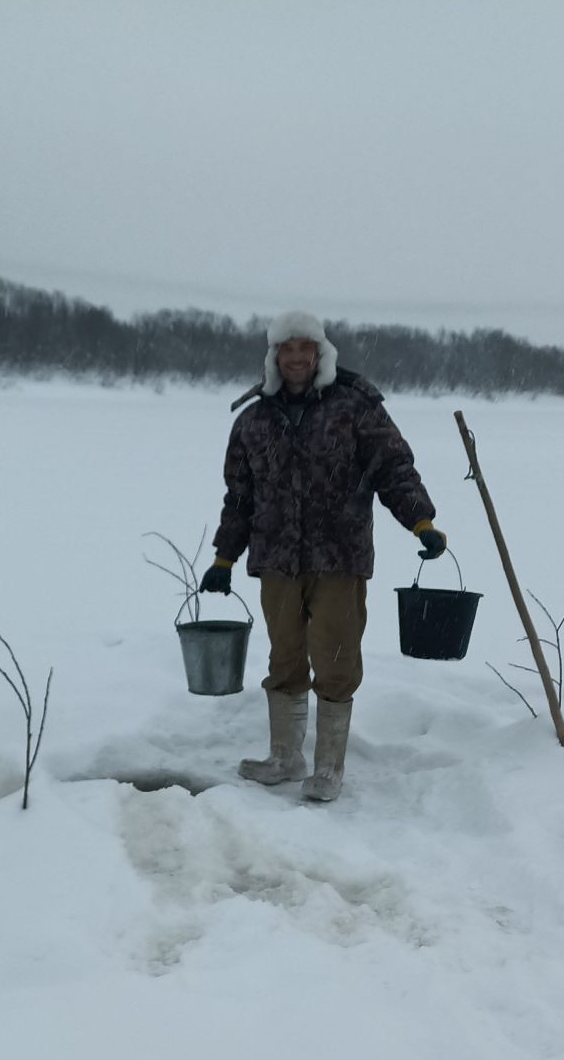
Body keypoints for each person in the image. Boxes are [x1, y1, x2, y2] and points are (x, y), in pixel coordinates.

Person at [200, 310, 446, 803]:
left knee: (335, 658)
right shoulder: (253, 420)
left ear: (320, 354)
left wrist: (420, 520)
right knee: (285, 656)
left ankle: (328, 769)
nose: (295, 358)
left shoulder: (355, 407)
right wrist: (225, 558)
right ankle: (285, 758)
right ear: (274, 357)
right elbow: (240, 497)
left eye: (304, 349)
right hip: (276, 558)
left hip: (340, 555)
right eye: (286, 350)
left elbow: (394, 468)